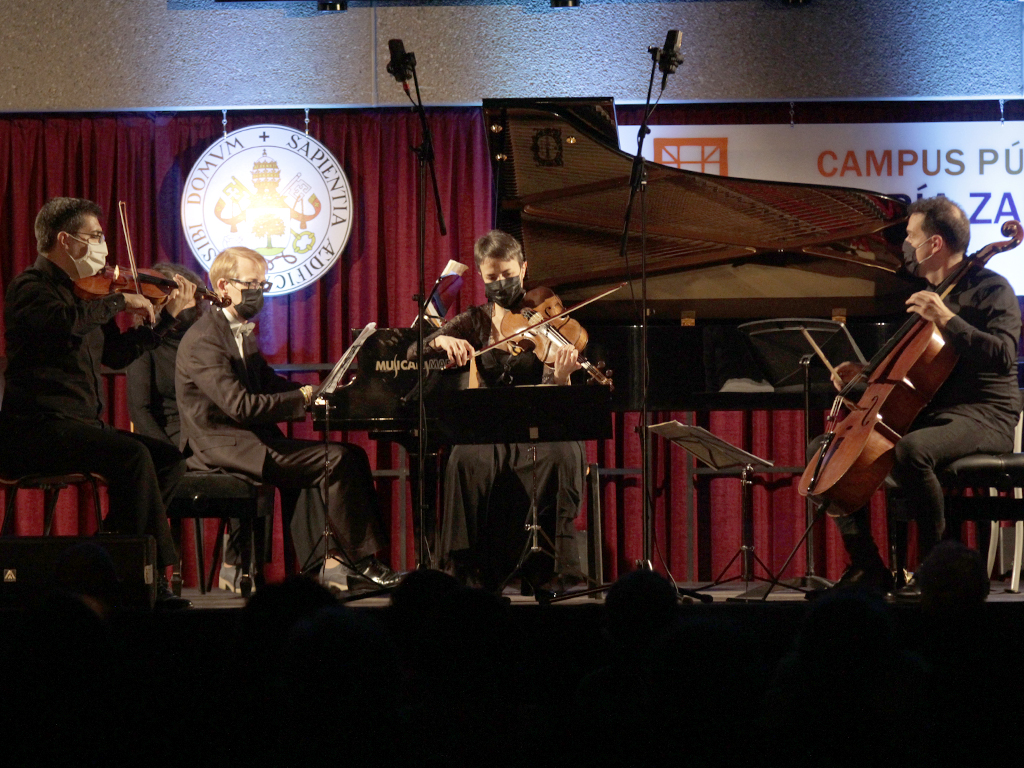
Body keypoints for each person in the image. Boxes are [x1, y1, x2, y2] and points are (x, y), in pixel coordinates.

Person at [819, 196, 1022, 600]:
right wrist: (856, 380)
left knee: (913, 450)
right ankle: (870, 567)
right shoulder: (930, 296)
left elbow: (1003, 354)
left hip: (986, 415)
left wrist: (946, 317)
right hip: (938, 415)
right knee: (826, 452)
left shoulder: (992, 289)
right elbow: (907, 376)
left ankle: (934, 570)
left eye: (911, 236)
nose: (905, 246)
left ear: (934, 244)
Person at [0, 197, 196, 608]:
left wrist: (168, 320)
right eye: (96, 237)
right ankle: (153, 576)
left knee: (168, 460)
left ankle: (113, 549)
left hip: (81, 427)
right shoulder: (29, 288)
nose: (105, 248)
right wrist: (121, 301)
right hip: (36, 429)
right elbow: (62, 326)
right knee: (132, 455)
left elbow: (115, 356)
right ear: (65, 241)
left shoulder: (91, 293)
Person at [174, 246, 399, 589]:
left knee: (346, 455)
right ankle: (361, 562)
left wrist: (320, 391)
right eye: (251, 284)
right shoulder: (205, 339)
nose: (258, 293)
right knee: (338, 459)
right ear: (223, 286)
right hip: (223, 446)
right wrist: (304, 398)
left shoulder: (236, 331)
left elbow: (270, 384)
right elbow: (241, 406)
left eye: (263, 286)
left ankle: (327, 564)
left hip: (250, 439)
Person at [424, 230, 586, 590]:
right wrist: (441, 338)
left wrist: (561, 377)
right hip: (489, 431)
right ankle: (463, 568)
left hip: (538, 429)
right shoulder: (475, 320)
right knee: (465, 460)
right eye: (492, 277)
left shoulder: (544, 318)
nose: (501, 283)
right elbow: (415, 351)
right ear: (482, 276)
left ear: (524, 268)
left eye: (508, 274)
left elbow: (556, 401)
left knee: (562, 453)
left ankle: (554, 568)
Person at [126, 263, 206, 447]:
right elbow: (140, 410)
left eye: (188, 298)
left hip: (210, 431)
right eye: (175, 299)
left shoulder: (206, 340)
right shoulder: (144, 343)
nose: (182, 305)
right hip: (171, 434)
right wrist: (169, 454)